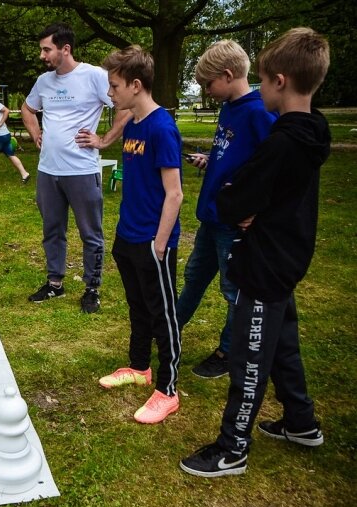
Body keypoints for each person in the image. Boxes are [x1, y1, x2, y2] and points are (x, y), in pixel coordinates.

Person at [180, 27, 330, 478]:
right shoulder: (311, 128)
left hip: (265, 264)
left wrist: (243, 203)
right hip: (286, 257)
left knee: (249, 358)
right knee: (283, 345)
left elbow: (236, 199)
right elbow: (266, 191)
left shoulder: (283, 140)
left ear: (279, 81)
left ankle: (232, 448)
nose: (260, 88)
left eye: (263, 80)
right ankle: (301, 423)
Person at [177, 41, 278, 379]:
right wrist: (211, 158)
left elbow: (272, 167)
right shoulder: (230, 106)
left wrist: (257, 209)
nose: (207, 91)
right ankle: (169, 328)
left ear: (228, 75)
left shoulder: (260, 110)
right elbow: (235, 154)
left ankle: (228, 351)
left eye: (208, 84)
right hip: (211, 216)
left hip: (234, 223)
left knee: (233, 291)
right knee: (194, 277)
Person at [97, 45, 183, 424]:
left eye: (114, 86)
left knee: (162, 315)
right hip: (127, 236)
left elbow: (174, 193)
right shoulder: (131, 123)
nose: (110, 93)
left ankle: (167, 388)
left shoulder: (162, 127)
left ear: (136, 84)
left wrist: (160, 244)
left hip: (152, 242)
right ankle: (139, 367)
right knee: (137, 306)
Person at [21, 22, 131, 314]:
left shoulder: (94, 76)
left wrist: (104, 140)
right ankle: (55, 283)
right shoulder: (44, 82)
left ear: (65, 48)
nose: (42, 55)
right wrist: (35, 134)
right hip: (48, 171)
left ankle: (92, 288)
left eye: (47, 49)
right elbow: (27, 109)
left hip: (82, 171)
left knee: (90, 233)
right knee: (52, 230)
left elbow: (127, 106)